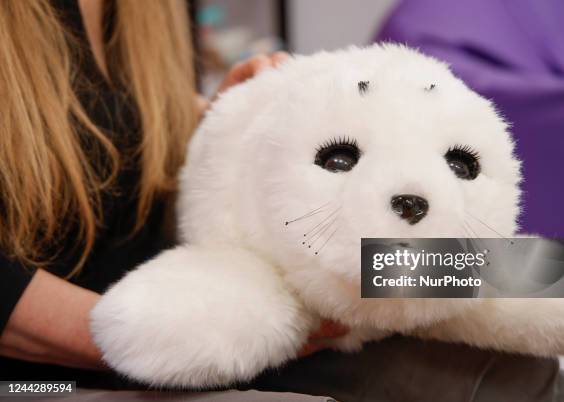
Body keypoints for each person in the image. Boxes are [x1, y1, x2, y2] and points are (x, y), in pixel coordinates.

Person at [0, 0, 344, 387]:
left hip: (189, 322)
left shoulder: (152, 14)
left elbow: (410, 280)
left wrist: (215, 129)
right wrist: (170, 339)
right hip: (34, 384)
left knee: (409, 360)